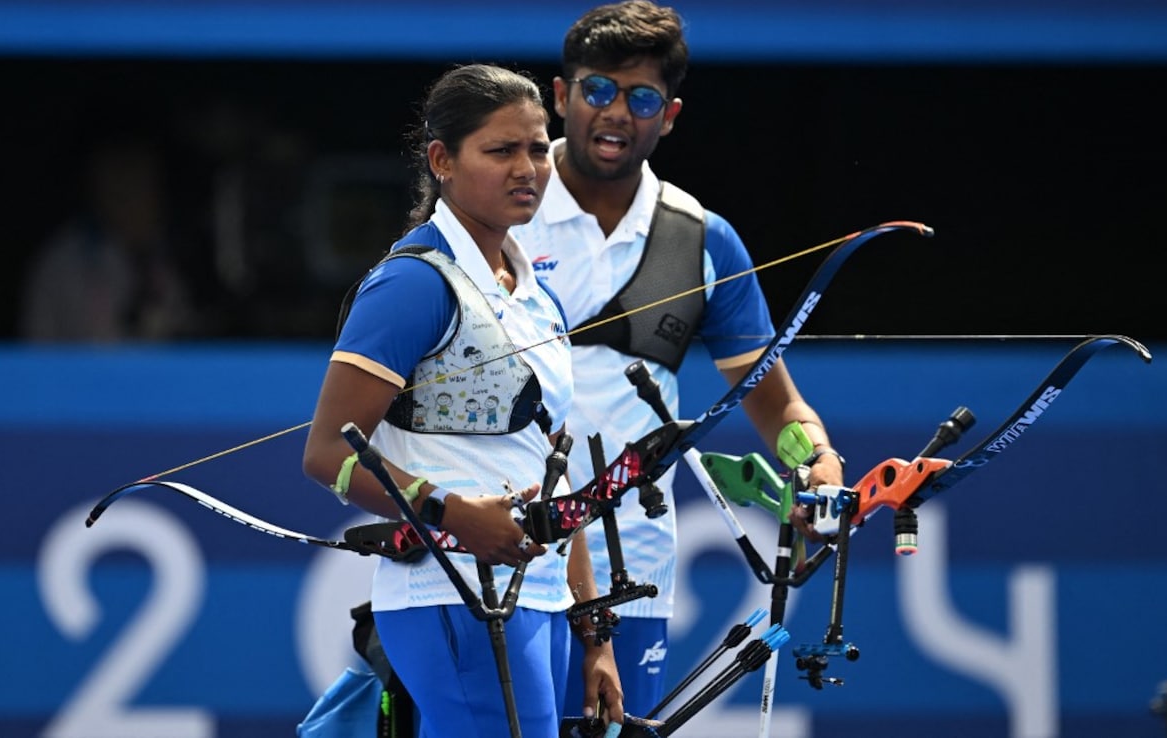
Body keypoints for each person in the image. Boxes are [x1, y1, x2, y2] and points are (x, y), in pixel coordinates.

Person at [509, 0, 846, 718]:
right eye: (599, 89)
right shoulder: (502, 207)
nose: (616, 112)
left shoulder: (702, 239)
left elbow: (773, 398)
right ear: (562, 95)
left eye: (642, 98)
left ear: (670, 114)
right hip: (506, 552)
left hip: (633, 563)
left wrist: (814, 461)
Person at [302, 63, 623, 737]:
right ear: (442, 160)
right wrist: (449, 513)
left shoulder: (538, 295)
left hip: (537, 595)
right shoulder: (411, 286)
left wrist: (593, 632)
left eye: (538, 148)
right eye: (501, 150)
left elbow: (554, 471)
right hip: (445, 593)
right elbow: (327, 454)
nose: (527, 168)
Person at [19, 135, 199, 342]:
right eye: (120, 187)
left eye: (141, 183)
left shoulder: (184, 252)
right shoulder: (62, 262)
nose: (131, 197)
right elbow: (36, 349)